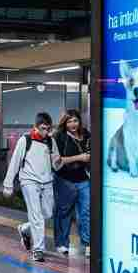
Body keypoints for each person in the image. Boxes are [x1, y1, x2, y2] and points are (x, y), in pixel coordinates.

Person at [2, 112, 63, 262]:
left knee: (47, 213)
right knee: (36, 215)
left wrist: (59, 162)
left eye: (48, 128)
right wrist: (8, 184)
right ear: (35, 127)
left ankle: (25, 229)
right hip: (29, 181)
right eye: (43, 128)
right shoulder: (25, 140)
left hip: (47, 181)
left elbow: (57, 162)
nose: (46, 132)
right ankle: (38, 249)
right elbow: (15, 161)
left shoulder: (50, 141)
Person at [52, 109, 91, 258]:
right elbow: (58, 161)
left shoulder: (86, 134)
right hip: (65, 180)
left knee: (86, 213)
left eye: (75, 120)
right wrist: (79, 157)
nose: (73, 124)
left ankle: (87, 243)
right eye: (69, 121)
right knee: (64, 212)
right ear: (65, 123)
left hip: (83, 179)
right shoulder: (59, 137)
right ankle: (62, 243)